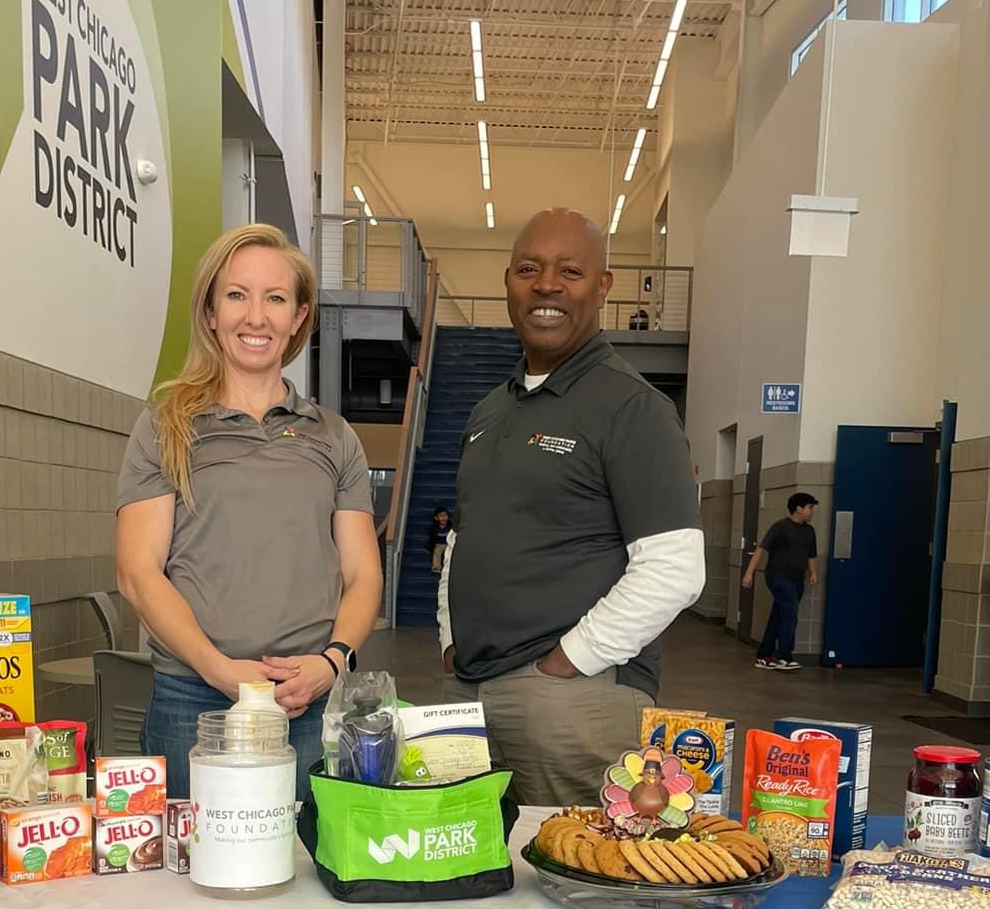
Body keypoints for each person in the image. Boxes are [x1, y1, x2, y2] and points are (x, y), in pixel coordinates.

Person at [437, 206, 704, 806]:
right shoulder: (490, 411)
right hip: (472, 688)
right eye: (528, 268)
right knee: (477, 876)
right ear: (507, 281)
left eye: (570, 271)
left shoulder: (633, 408)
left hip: (571, 700)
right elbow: (466, 535)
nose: (547, 285)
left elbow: (675, 568)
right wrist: (451, 641)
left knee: (580, 875)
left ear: (603, 286)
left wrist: (566, 664)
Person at [115, 222, 383, 796]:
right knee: (186, 876)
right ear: (211, 312)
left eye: (275, 298)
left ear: (298, 317)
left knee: (307, 874)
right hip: (194, 702)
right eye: (236, 295)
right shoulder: (167, 427)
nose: (255, 317)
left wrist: (332, 663)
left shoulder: (334, 438)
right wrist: (218, 670)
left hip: (305, 704)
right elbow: (138, 574)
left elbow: (362, 574)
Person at [741, 492, 819, 671]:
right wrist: (749, 573)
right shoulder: (781, 527)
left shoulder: (809, 531)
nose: (811, 511)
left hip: (797, 579)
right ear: (799, 509)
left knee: (779, 615)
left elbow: (811, 555)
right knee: (790, 611)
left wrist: (813, 572)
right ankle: (784, 656)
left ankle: (764, 655)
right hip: (777, 576)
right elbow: (761, 550)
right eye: (809, 507)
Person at [428, 504, 453, 574]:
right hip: (439, 544)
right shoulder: (435, 528)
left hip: (448, 544)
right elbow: (432, 538)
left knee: (449, 552)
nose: (443, 518)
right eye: (441, 516)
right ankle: (436, 567)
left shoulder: (450, 526)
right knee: (437, 552)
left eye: (445, 515)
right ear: (436, 518)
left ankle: (449, 567)